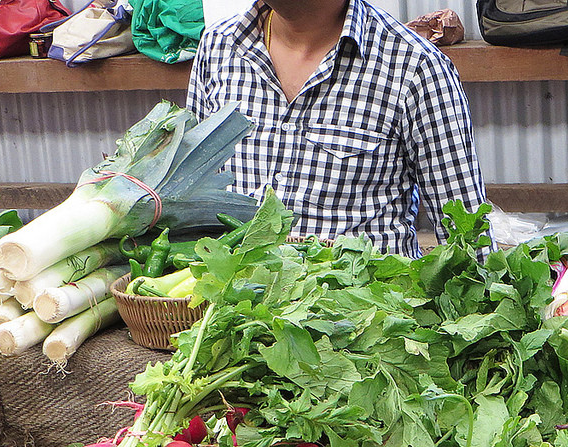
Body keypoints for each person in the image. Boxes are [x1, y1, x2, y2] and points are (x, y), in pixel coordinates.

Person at [186, 0, 488, 257]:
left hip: (366, 315)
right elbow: (188, 198)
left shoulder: (415, 67)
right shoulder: (218, 49)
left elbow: (469, 245)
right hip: (232, 314)